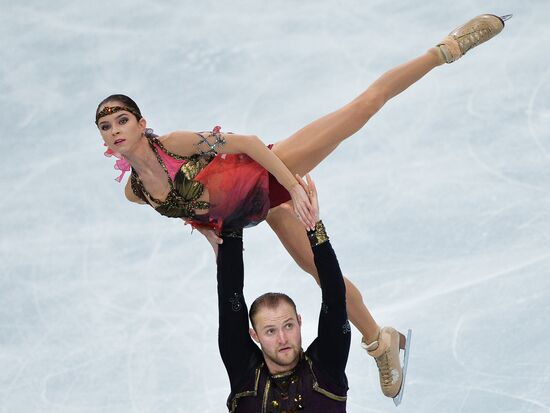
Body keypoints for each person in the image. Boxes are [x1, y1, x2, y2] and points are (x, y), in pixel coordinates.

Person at [95, 14, 510, 401]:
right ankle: (383, 342)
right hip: (254, 211)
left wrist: (292, 186)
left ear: (141, 122)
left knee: (361, 108)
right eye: (107, 127)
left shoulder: (174, 144)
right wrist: (210, 233)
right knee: (320, 273)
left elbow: (248, 143)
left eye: (122, 121)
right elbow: (185, 204)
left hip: (272, 172)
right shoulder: (137, 191)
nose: (115, 131)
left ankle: (446, 49)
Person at [217, 175, 351, 412]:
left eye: (288, 326)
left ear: (299, 322)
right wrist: (231, 220)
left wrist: (313, 227)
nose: (282, 339)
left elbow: (335, 296)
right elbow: (230, 294)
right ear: (254, 335)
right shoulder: (245, 374)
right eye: (270, 331)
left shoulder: (325, 368)